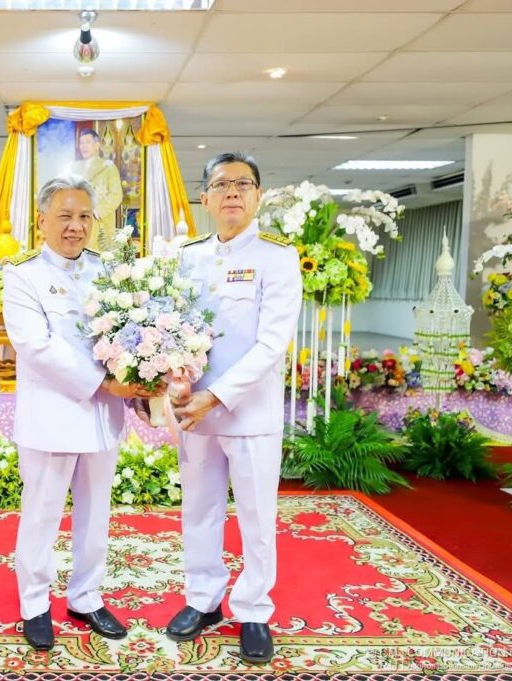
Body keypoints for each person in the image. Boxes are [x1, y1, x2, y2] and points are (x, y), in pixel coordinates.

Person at [154, 152, 301, 663]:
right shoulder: (188, 257)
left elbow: (271, 343)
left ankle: (254, 609)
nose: (232, 192)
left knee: (257, 517)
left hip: (249, 413)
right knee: (199, 509)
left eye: (243, 183)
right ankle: (203, 598)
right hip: (193, 412)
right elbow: (171, 330)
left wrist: (214, 396)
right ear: (205, 197)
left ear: (259, 195)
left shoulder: (277, 257)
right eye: (221, 184)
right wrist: (175, 383)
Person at [1, 175, 150, 650]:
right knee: (41, 514)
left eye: (85, 216)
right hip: (52, 418)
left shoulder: (108, 273)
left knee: (96, 514)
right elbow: (36, 346)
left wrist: (139, 386)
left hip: (102, 419)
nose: (75, 226)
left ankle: (86, 597)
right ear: (41, 220)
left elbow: (127, 340)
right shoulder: (22, 275)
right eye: (64, 216)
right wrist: (104, 384)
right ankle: (34, 604)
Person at [68, 128, 123, 251]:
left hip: (99, 222)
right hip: (77, 222)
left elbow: (116, 195)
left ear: (97, 145)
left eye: (87, 142)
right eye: (81, 143)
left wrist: (98, 211)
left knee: (99, 256)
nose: (83, 146)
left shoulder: (108, 167)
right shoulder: (73, 167)